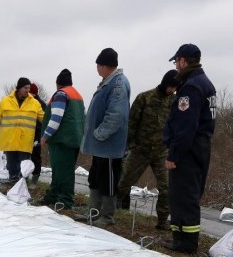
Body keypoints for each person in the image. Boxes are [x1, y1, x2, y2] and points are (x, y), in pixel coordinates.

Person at [161, 43, 216, 253]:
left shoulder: (191, 87)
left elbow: (185, 125)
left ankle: (186, 243)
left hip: (188, 150)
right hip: (199, 147)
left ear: (183, 61)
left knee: (184, 195)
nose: (176, 66)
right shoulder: (205, 83)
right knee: (185, 194)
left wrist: (173, 154)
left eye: (176, 61)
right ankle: (181, 239)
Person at [116, 70, 179, 229]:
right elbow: (132, 122)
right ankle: (111, 209)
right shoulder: (145, 98)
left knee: (166, 187)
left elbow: (175, 126)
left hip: (161, 152)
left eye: (175, 88)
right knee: (125, 181)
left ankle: (162, 221)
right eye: (171, 86)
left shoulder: (174, 101)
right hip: (140, 150)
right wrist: (131, 145)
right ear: (165, 83)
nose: (172, 90)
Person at [79, 48, 131, 226]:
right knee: (95, 177)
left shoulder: (118, 84)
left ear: (103, 65)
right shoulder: (108, 82)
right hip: (100, 146)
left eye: (98, 65)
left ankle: (107, 216)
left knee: (108, 180)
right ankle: (93, 212)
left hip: (109, 145)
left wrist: (99, 134)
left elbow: (116, 115)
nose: (97, 69)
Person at [0, 77, 44, 182]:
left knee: (23, 166)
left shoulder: (35, 103)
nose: (27, 90)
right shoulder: (6, 101)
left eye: (29, 88)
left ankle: (22, 186)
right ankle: (13, 183)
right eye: (25, 88)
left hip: (25, 141)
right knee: (11, 166)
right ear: (19, 88)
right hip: (9, 140)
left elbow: (44, 118)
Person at [39, 69, 85, 209]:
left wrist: (45, 136)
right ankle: (54, 195)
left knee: (63, 172)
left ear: (58, 83)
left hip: (61, 140)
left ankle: (65, 200)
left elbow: (56, 119)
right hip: (74, 139)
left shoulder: (61, 94)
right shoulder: (77, 95)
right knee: (62, 170)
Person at [29, 83, 47, 187]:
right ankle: (24, 177)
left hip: (36, 134)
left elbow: (43, 121)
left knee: (35, 157)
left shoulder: (40, 104)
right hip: (26, 134)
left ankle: (34, 180)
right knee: (25, 157)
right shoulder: (27, 102)